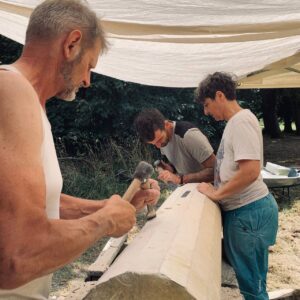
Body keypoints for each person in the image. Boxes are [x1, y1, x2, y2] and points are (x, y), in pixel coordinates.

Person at [0, 1, 160, 298]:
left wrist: (106, 206)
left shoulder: (30, 104)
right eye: (89, 66)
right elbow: (17, 257)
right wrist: (104, 221)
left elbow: (35, 202)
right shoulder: (11, 91)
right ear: (72, 44)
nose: (87, 81)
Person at [195, 72, 278, 300]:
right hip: (244, 213)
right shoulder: (236, 123)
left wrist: (216, 193)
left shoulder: (241, 121)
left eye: (207, 104)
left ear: (220, 95)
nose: (206, 112)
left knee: (253, 288)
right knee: (252, 283)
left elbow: (250, 171)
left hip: (248, 212)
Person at [134, 108, 216, 185]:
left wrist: (180, 179)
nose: (158, 146)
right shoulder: (161, 141)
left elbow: (216, 170)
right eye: (154, 144)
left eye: (159, 140)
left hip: (214, 191)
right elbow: (181, 162)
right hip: (192, 190)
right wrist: (170, 169)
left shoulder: (189, 135)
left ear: (166, 124)